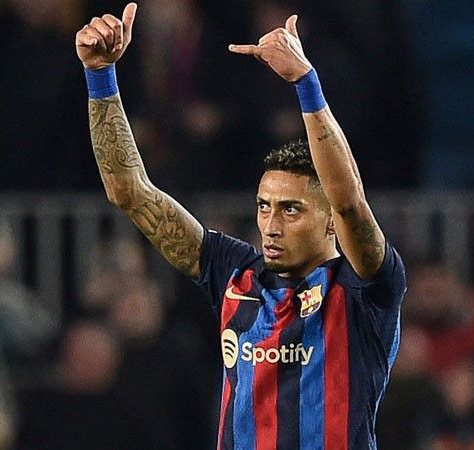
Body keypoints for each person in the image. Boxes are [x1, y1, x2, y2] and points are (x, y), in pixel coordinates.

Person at [75, 3, 406, 449]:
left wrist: (306, 84)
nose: (270, 224)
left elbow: (349, 203)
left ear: (329, 221)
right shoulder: (235, 273)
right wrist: (100, 76)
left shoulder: (365, 288)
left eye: (291, 210)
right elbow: (130, 192)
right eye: (264, 207)